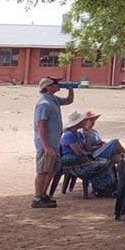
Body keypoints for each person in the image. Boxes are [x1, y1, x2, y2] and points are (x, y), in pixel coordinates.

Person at [32, 76, 73, 208]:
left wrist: (71, 89)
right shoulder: (44, 104)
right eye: (55, 83)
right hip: (47, 144)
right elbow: (41, 125)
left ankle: (43, 194)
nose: (58, 85)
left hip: (54, 143)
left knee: (51, 170)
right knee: (42, 171)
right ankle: (37, 198)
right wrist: (46, 146)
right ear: (48, 87)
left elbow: (68, 101)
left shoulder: (53, 99)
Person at [57, 113, 117, 196]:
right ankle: (103, 189)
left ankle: (108, 187)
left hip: (81, 158)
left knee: (107, 162)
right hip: (72, 160)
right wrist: (89, 154)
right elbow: (79, 152)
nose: (84, 122)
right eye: (82, 121)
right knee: (102, 163)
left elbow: (87, 148)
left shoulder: (78, 134)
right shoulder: (69, 135)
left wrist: (87, 137)